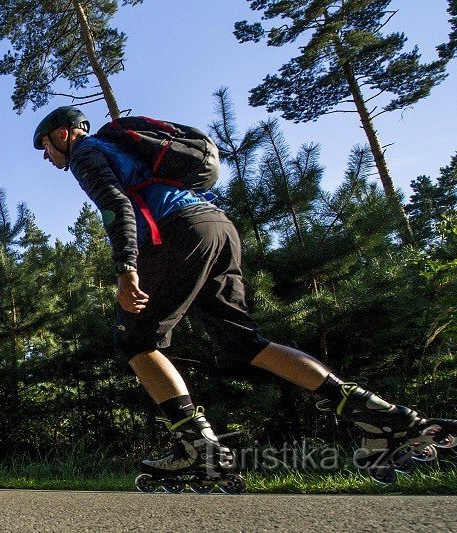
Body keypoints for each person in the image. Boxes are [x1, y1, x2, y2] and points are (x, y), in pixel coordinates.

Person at [33, 106, 456, 488]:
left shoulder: (86, 154)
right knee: (243, 343)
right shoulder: (121, 146)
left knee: (135, 341)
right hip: (216, 225)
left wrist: (126, 267)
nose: (46, 158)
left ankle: (199, 451)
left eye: (45, 147)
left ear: (64, 135)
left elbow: (115, 206)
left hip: (175, 231)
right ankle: (382, 416)